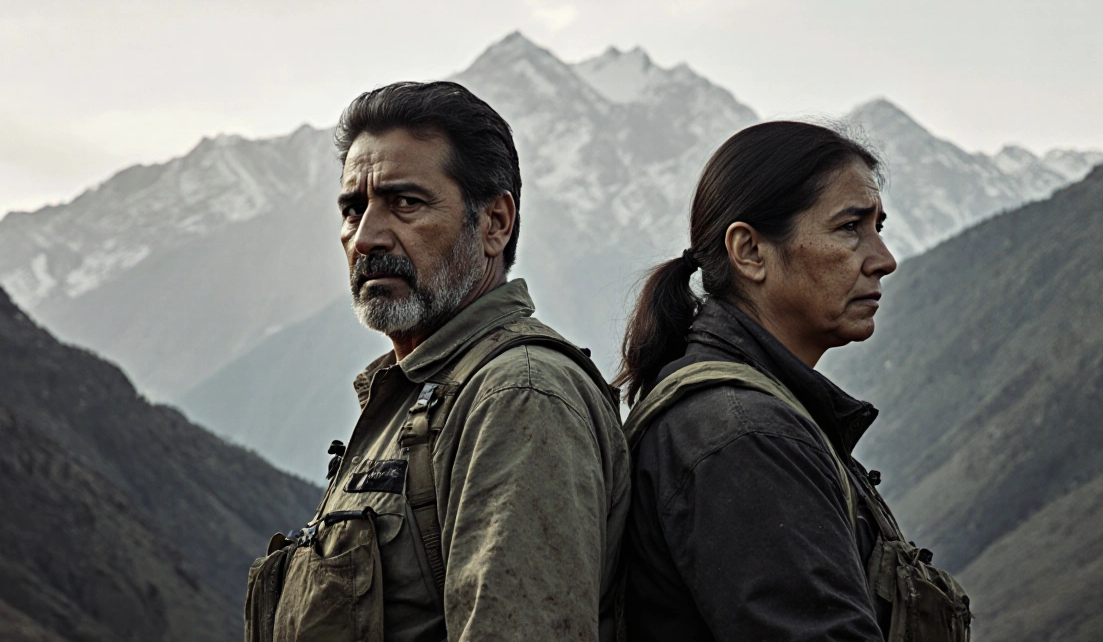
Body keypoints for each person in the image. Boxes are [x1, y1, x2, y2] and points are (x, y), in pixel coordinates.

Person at [245, 81, 629, 642]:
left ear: (494, 223)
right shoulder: (423, 390)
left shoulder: (518, 397)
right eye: (353, 209)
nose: (367, 237)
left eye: (406, 203)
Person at [617, 121, 971, 641]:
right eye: (850, 228)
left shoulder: (746, 418)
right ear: (750, 252)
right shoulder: (745, 438)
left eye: (878, 227)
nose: (884, 260)